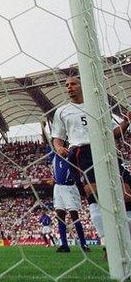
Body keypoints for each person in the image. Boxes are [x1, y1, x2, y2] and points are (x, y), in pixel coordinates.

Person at [50, 76, 131, 255]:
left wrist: (126, 122)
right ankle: (107, 244)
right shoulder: (62, 111)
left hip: (105, 150)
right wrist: (59, 147)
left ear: (82, 85)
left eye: (73, 84)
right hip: (81, 153)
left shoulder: (98, 107)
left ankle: (127, 242)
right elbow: (57, 138)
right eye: (67, 85)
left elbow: (113, 133)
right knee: (95, 196)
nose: (69, 87)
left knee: (127, 194)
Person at [41, 120, 88, 252]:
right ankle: (64, 245)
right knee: (59, 215)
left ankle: (83, 244)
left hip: (69, 187)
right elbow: (47, 142)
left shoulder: (72, 155)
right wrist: (42, 128)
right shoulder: (54, 155)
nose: (58, 146)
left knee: (74, 216)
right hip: (58, 188)